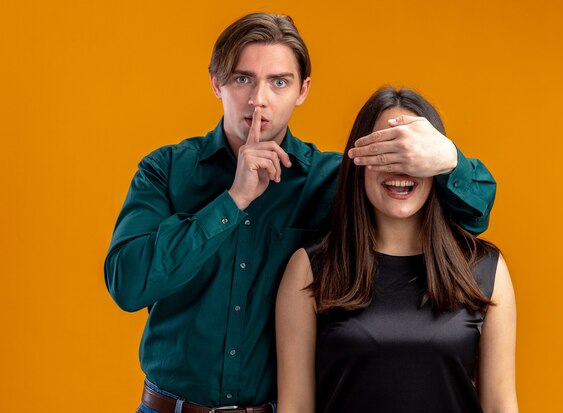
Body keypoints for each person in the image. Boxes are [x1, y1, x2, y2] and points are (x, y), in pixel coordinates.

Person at [105, 12, 497, 413]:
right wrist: (233, 200)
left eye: (279, 82)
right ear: (216, 82)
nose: (259, 99)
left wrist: (448, 159)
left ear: (302, 90)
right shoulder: (165, 170)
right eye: (243, 79)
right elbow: (127, 284)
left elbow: (471, 215)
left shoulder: (330, 179)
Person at [276, 87, 517, 413]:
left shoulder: (485, 269)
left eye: (411, 154)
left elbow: (501, 404)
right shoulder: (309, 269)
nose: (400, 167)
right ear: (359, 162)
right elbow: (295, 407)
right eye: (385, 152)